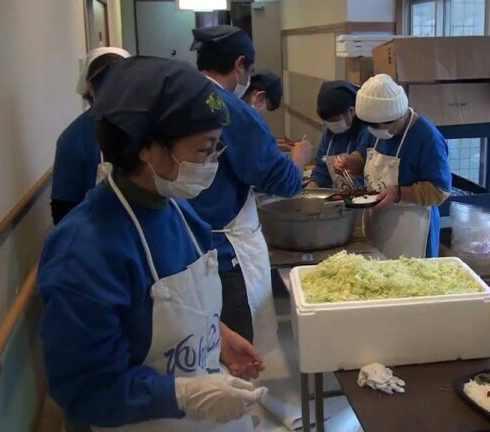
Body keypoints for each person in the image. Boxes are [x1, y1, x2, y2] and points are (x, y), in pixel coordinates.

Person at [38, 57, 268, 431]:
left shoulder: (178, 210)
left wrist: (218, 336)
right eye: (203, 150)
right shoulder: (84, 252)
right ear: (148, 148)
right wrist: (183, 395)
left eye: (217, 149)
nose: (212, 162)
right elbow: (83, 391)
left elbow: (177, 310)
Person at [189, 25, 313, 354]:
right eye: (250, 69)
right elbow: (285, 182)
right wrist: (299, 159)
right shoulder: (229, 109)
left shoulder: (185, 94)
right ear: (240, 64)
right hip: (226, 253)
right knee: (236, 351)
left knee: (205, 345)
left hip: (189, 243)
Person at [335, 73, 452, 258]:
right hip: (378, 223)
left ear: (398, 116)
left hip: (413, 230)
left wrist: (398, 193)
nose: (375, 131)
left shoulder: (427, 138)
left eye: (380, 126)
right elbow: (364, 157)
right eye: (371, 126)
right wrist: (351, 163)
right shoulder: (372, 129)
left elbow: (439, 191)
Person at [50, 47, 130, 225]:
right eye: (104, 82)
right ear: (90, 87)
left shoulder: (147, 127)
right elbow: (62, 210)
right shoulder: (73, 140)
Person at [308, 80, 369, 189]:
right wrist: (309, 190)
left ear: (351, 111)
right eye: (327, 120)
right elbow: (321, 171)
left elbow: (365, 173)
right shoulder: (329, 131)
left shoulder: (366, 131)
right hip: (338, 193)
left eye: (334, 119)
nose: (330, 124)